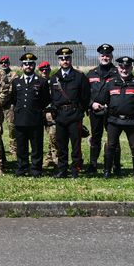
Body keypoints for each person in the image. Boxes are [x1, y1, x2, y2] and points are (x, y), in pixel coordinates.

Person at [98, 56, 134, 181]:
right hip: (114, 121)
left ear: (131, 67)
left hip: (131, 121)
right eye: (121, 67)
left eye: (127, 67)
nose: (124, 70)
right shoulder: (110, 83)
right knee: (111, 146)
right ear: (118, 68)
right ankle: (107, 172)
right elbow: (104, 99)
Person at [48, 47, 91, 178]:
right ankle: (62, 169)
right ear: (58, 61)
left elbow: (85, 96)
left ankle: (75, 169)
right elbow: (52, 97)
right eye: (62, 58)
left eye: (67, 58)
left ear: (71, 59)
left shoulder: (79, 76)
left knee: (76, 145)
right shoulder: (55, 77)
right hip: (60, 115)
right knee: (61, 145)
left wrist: (79, 110)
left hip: (74, 115)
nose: (65, 60)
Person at [11, 53, 50, 177]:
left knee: (36, 147)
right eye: (25, 64)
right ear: (21, 66)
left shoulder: (42, 82)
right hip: (20, 119)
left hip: (35, 119)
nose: (28, 66)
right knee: (21, 146)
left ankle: (36, 169)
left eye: (31, 64)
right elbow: (14, 99)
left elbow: (46, 100)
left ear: (34, 66)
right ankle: (22, 168)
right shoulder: (16, 82)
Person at [86, 43, 121, 174]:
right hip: (95, 111)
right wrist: (91, 104)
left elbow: (121, 92)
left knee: (114, 139)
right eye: (103, 55)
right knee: (95, 137)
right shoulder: (91, 73)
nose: (105, 57)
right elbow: (85, 93)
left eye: (107, 55)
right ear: (99, 57)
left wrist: (111, 105)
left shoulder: (118, 73)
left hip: (112, 112)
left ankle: (116, 165)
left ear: (111, 57)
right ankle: (93, 164)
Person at [37, 61, 59, 169]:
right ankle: (46, 158)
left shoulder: (54, 82)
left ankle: (54, 159)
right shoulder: (35, 81)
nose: (44, 71)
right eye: (42, 69)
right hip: (38, 113)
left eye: (46, 69)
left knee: (53, 136)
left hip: (50, 113)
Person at [0, 55, 17, 160]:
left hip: (9, 105)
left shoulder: (13, 75)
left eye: (6, 62)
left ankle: (14, 149)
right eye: (2, 62)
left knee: (12, 127)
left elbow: (12, 89)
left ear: (9, 63)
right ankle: (0, 149)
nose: (4, 64)